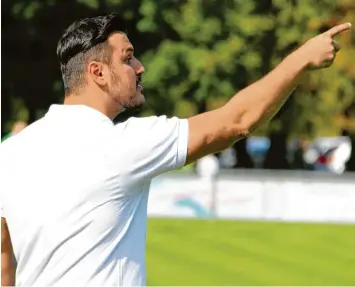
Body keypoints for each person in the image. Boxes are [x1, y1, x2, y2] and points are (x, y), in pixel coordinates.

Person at [0, 13, 351, 286]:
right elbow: (236, 121)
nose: (140, 67)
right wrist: (301, 59)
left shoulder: (10, 153)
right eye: (128, 58)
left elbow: (4, 263)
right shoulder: (123, 144)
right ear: (98, 72)